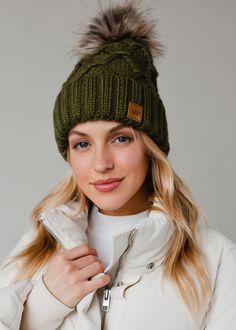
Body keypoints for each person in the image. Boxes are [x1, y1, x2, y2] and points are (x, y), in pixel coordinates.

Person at [0, 2, 236, 330]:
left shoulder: (217, 260)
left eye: (120, 138)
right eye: (82, 144)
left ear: (151, 145)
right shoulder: (35, 248)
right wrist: (43, 305)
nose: (100, 164)